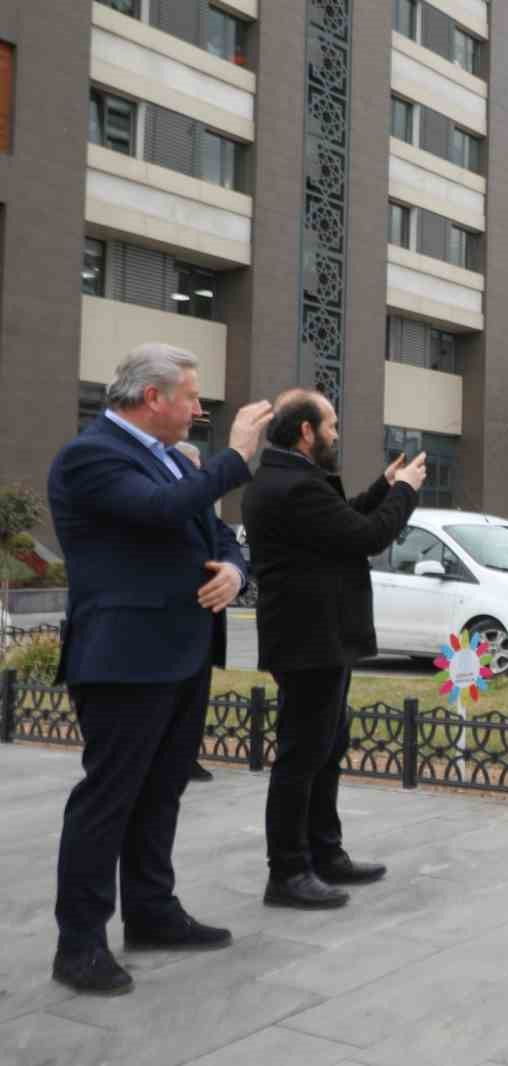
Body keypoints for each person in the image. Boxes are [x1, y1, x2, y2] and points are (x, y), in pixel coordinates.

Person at [47, 343, 271, 995]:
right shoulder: (92, 456)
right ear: (153, 398)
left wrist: (234, 569)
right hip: (123, 655)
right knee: (108, 799)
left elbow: (215, 532)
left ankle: (152, 912)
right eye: (192, 398)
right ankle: (80, 943)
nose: (200, 411)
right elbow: (157, 512)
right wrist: (236, 457)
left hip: (183, 650)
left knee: (162, 790)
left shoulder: (171, 458)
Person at [243, 389, 424, 910]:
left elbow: (341, 525)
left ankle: (325, 852)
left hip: (319, 638)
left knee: (327, 747)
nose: (337, 433)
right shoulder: (292, 486)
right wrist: (405, 493)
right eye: (332, 425)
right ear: (307, 431)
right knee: (302, 756)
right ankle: (289, 871)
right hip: (309, 641)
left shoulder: (288, 479)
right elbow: (368, 537)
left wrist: (383, 487)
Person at [173, 440, 217, 784]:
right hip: (179, 619)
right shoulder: (177, 506)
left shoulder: (202, 507)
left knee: (196, 698)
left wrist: (235, 570)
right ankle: (179, 758)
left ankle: (188, 757)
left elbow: (224, 544)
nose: (201, 468)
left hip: (205, 616)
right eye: (196, 463)